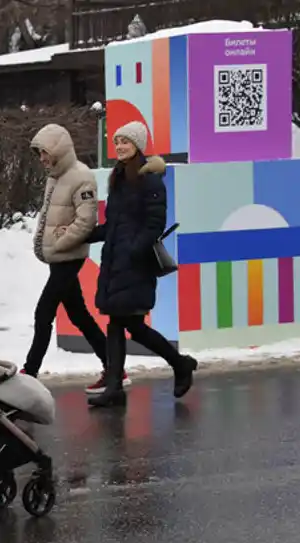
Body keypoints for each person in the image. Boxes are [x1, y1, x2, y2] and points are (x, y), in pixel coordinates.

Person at [85, 122, 198, 409]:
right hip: (116, 263)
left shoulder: (150, 181)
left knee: (128, 324)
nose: (120, 146)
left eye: (126, 142)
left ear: (138, 145)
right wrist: (85, 235)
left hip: (135, 265)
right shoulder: (120, 178)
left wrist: (132, 252)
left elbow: (154, 226)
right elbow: (114, 225)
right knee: (122, 324)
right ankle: (118, 386)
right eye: (117, 141)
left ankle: (177, 364)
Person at [24, 123, 129, 394]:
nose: (42, 159)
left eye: (45, 152)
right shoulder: (54, 176)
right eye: (39, 154)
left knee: (43, 312)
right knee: (79, 315)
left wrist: (60, 243)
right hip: (59, 257)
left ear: (58, 150)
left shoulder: (81, 177)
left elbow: (86, 221)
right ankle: (114, 367)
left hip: (69, 256)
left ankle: (30, 372)